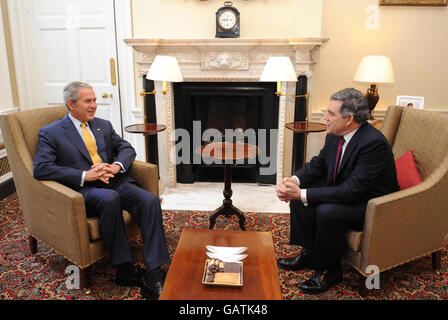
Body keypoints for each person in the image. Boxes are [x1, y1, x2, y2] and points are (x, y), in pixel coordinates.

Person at [33, 81, 170, 299]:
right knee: (110, 198)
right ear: (71, 104)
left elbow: (125, 148)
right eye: (88, 101)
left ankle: (155, 271)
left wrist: (116, 166)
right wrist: (86, 175)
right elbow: (41, 168)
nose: (94, 105)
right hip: (85, 190)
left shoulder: (103, 125)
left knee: (149, 200)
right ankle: (124, 268)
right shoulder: (51, 133)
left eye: (95, 100)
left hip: (115, 181)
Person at [276, 88, 399, 294]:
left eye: (330, 114)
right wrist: (294, 180)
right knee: (301, 194)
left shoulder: (373, 143)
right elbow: (320, 163)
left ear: (349, 118)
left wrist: (302, 194)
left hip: (371, 205)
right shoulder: (335, 134)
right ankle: (312, 253)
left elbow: (352, 191)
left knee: (326, 210)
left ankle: (330, 270)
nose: (325, 117)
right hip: (348, 190)